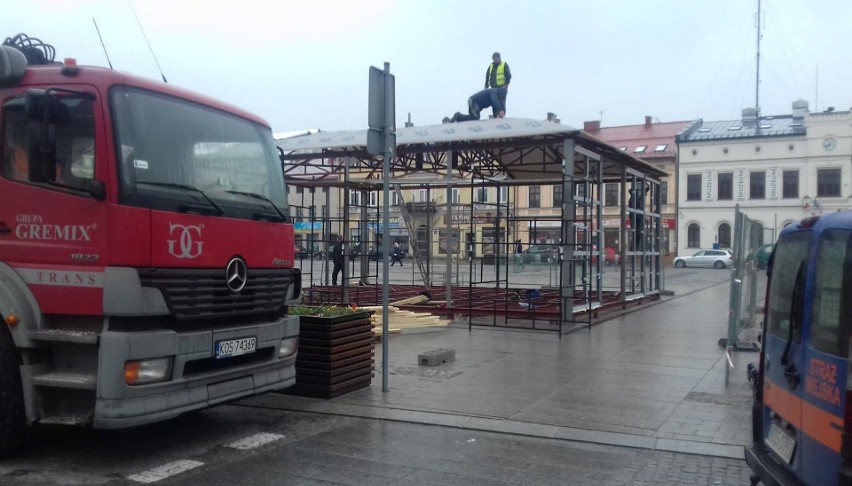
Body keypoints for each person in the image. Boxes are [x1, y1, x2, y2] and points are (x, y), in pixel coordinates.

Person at [485, 52, 511, 117]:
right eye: (494, 58)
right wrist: (486, 86)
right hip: (493, 88)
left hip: (501, 87)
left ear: (499, 58)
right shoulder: (491, 66)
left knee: (501, 102)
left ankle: (502, 115)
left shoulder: (504, 64)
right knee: (494, 102)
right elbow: (487, 76)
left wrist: (506, 86)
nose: (495, 59)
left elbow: (508, 76)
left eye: (497, 58)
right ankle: (495, 115)